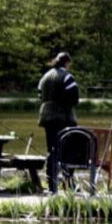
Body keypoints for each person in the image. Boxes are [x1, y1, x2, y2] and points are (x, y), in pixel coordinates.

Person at [38, 52, 80, 193]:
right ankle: (68, 182)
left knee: (51, 149)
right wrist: (65, 105)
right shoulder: (67, 77)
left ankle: (51, 184)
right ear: (67, 63)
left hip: (46, 116)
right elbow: (74, 98)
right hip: (63, 118)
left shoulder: (45, 76)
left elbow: (39, 94)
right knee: (68, 150)